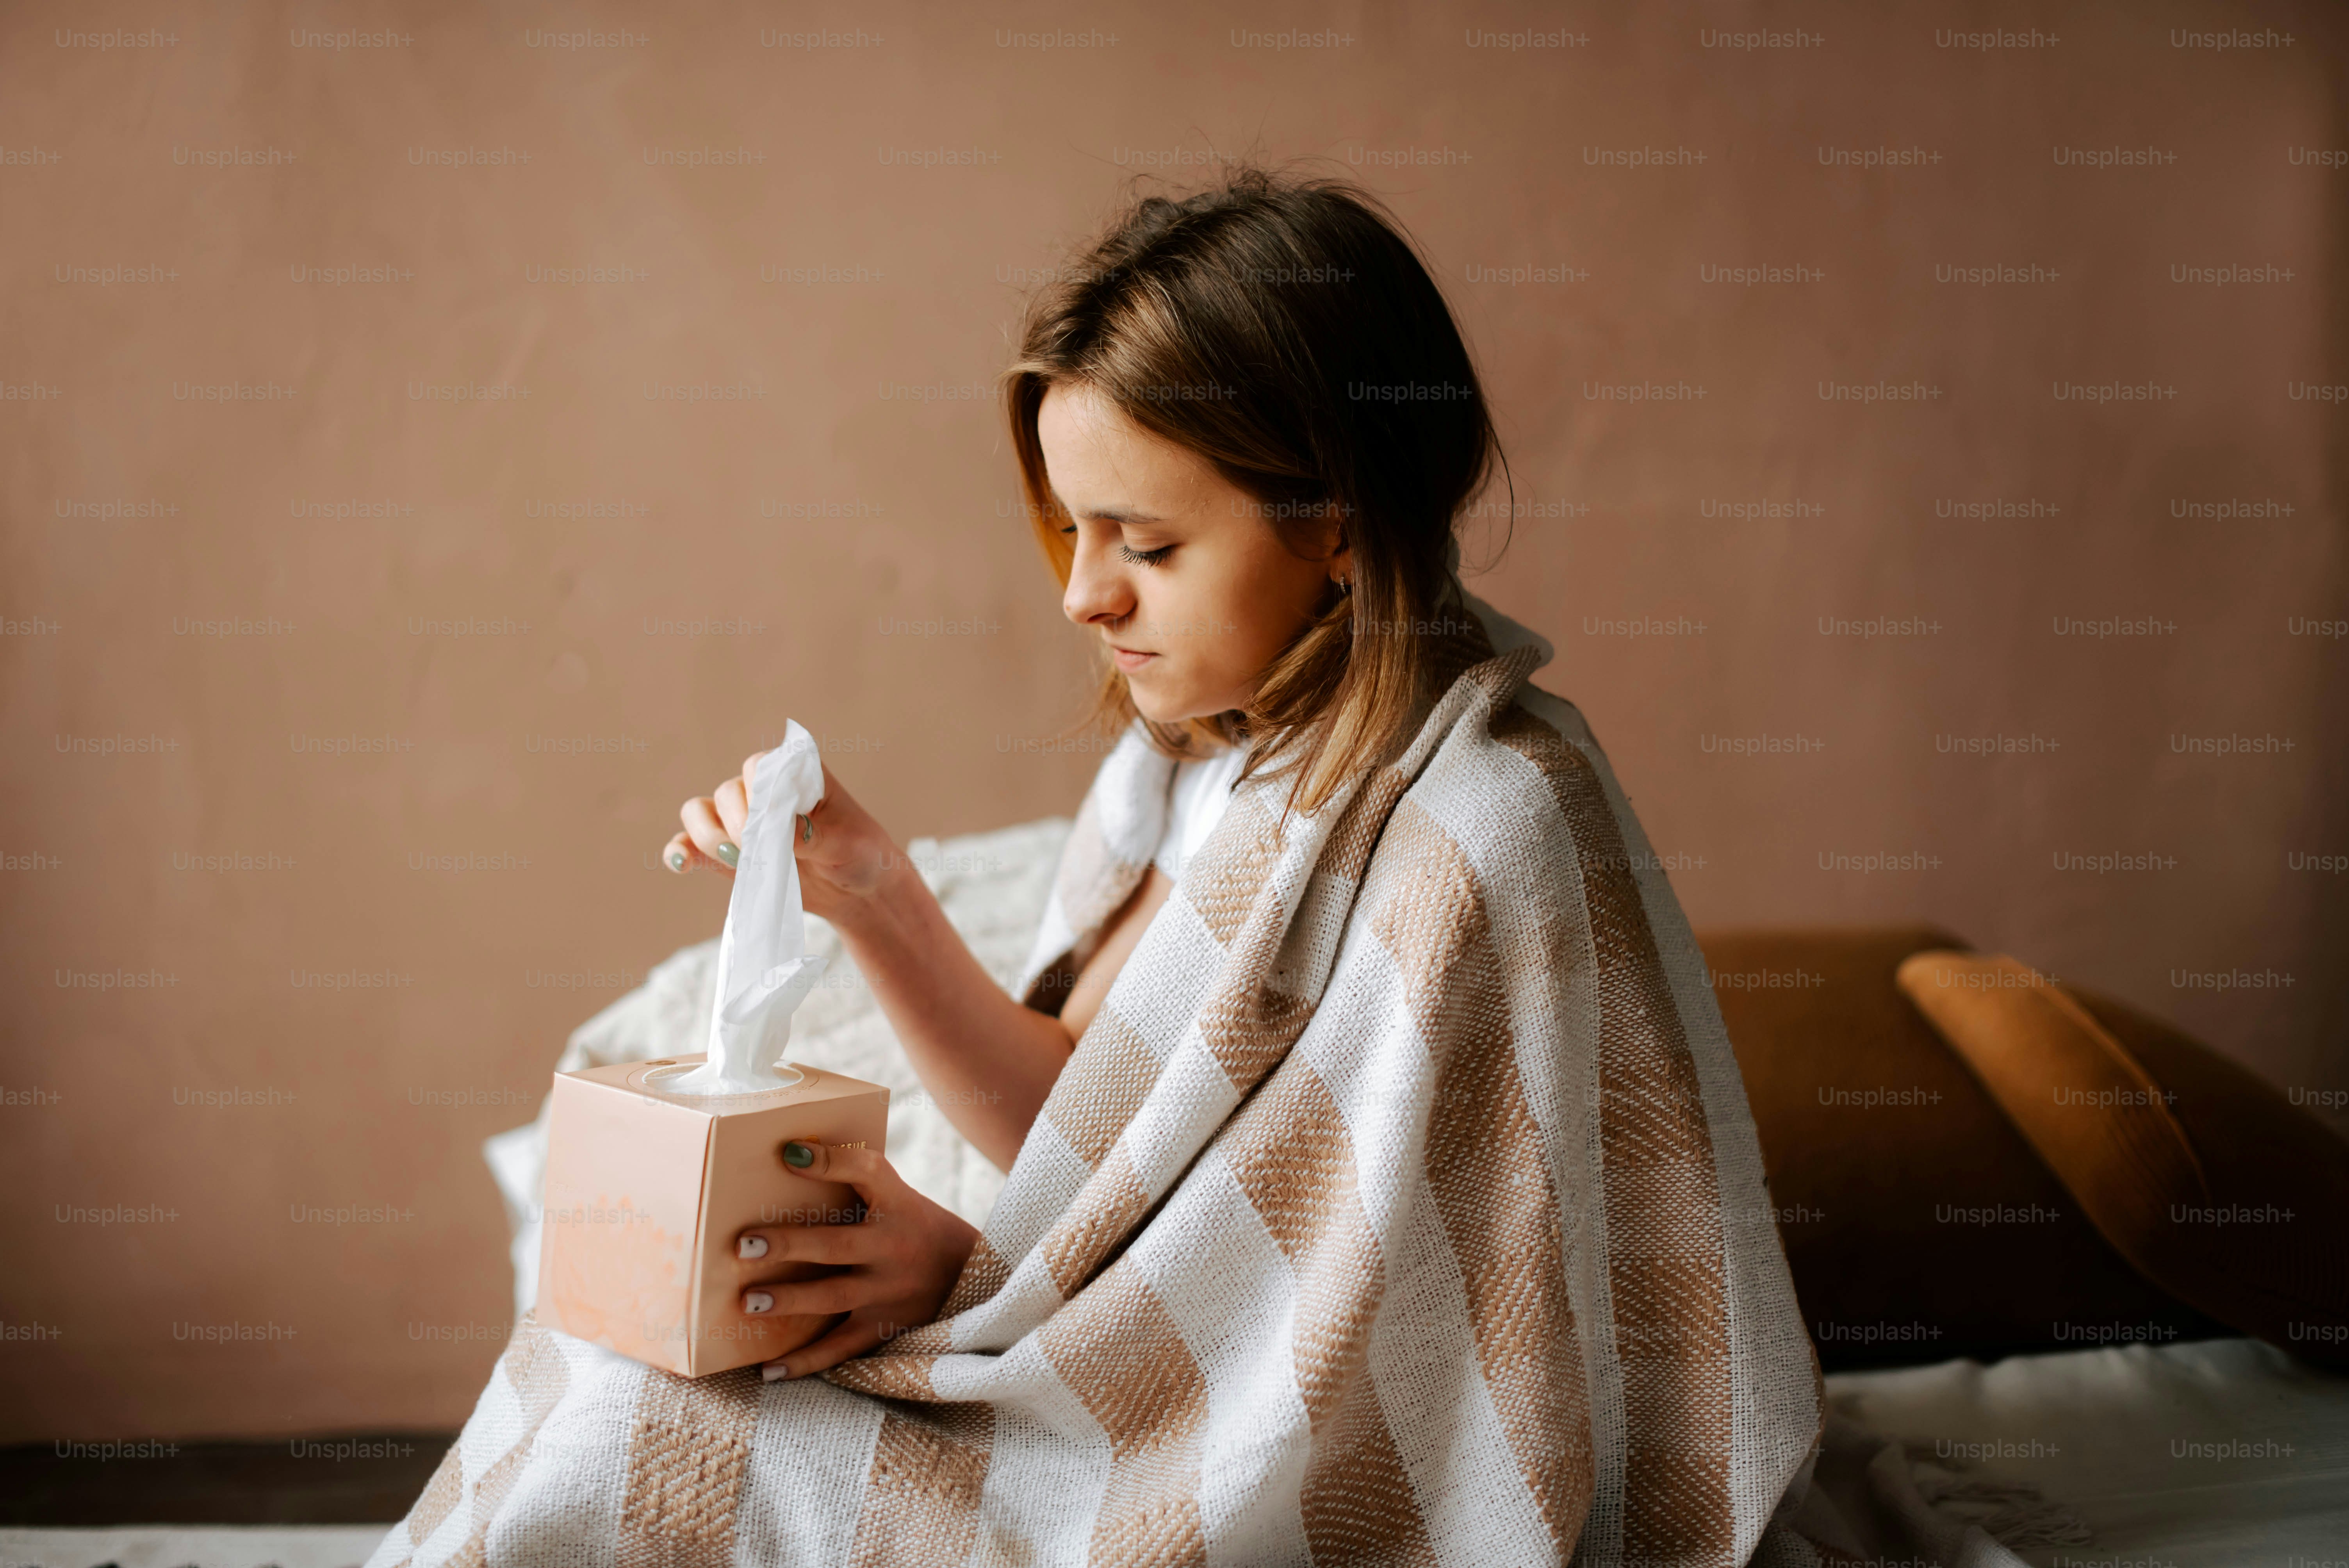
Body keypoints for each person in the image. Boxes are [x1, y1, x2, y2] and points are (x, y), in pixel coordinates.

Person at [377, 169, 1821, 1568]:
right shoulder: (1201, 755)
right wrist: (873, 893)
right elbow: (1102, 1145)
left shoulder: (1488, 829)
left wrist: (972, 1283)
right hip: (1084, 1359)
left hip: (1185, 1450)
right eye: (1074, 530)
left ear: (1335, 519)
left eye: (1147, 542)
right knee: (608, 1365)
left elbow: (1359, 1338)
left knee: (637, 1436)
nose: (1083, 593)